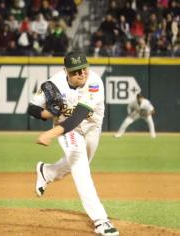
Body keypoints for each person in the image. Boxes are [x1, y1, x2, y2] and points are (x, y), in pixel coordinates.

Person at [27, 51, 119, 236]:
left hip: (92, 127)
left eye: (84, 69)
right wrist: (49, 114)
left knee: (81, 162)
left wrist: (50, 133)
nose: (81, 74)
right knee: (80, 168)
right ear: (65, 71)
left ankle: (48, 171)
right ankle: (101, 221)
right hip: (68, 131)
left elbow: (77, 117)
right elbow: (33, 108)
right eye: (76, 71)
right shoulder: (55, 83)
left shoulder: (94, 82)